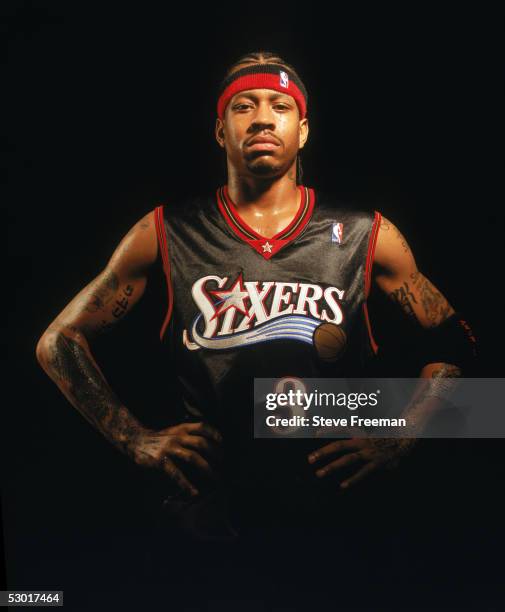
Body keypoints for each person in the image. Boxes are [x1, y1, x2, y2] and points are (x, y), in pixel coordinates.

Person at [35, 50, 478, 543]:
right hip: (208, 518)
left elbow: (457, 344)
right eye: (244, 106)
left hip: (335, 518)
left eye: (280, 106)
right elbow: (58, 341)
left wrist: (399, 437)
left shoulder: (365, 234)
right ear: (221, 131)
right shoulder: (166, 230)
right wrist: (132, 437)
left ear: (303, 130)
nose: (263, 117)